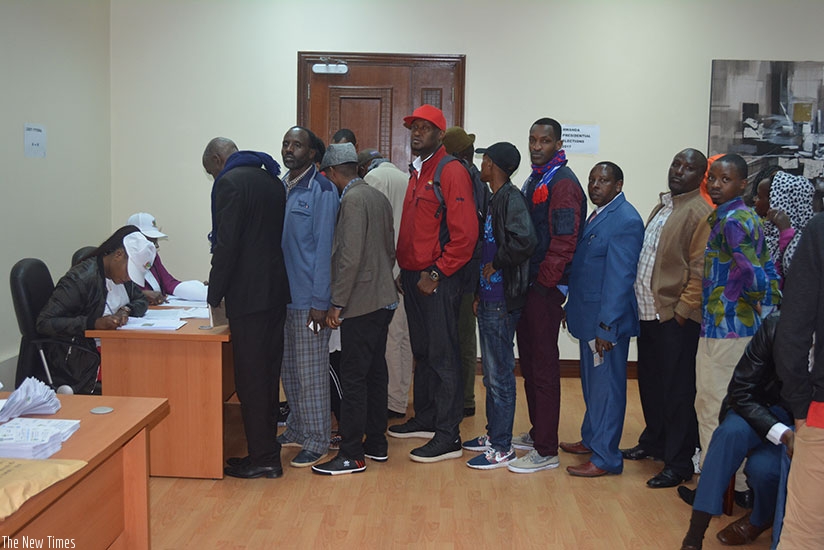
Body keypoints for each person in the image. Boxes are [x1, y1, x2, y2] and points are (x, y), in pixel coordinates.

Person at [389, 104, 477, 463]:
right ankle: (426, 418)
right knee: (422, 353)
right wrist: (405, 270)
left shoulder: (450, 171)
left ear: (440, 135)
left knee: (443, 356)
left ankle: (448, 435)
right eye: (413, 127)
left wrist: (437, 273)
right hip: (413, 277)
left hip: (438, 280)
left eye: (425, 128)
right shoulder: (417, 171)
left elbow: (465, 236)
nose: (417, 133)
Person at [621, 149, 712, 488]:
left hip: (675, 319)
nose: (679, 171)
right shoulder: (664, 206)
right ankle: (654, 442)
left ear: (700, 176)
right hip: (648, 313)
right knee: (652, 384)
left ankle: (678, 463)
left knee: (677, 392)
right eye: (676, 164)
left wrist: (683, 313)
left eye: (689, 168)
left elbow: (701, 269)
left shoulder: (700, 211)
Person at [202, 137, 289, 480]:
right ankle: (265, 449)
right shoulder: (270, 178)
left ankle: (264, 459)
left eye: (212, 171)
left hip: (248, 297)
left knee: (250, 379)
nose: (214, 178)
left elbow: (227, 245)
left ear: (218, 159)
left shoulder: (230, 182)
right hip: (275, 292)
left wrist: (214, 293)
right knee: (267, 376)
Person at [695, 154, 780, 496]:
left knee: (711, 405)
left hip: (726, 327)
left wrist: (761, 302)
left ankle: (715, 488)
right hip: (738, 326)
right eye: (712, 178)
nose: (715, 184)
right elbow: (769, 268)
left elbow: (755, 274)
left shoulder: (732, 220)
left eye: (724, 179)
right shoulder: (744, 215)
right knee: (730, 405)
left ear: (742, 184)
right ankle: (740, 485)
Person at [311, 143, 397, 475]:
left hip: (361, 303)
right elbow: (389, 250)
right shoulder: (377, 196)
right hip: (383, 298)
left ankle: (351, 454)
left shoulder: (351, 200)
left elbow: (349, 258)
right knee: (375, 373)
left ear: (332, 172)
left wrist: (337, 303)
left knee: (354, 377)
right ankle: (376, 443)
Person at [510, 117, 586, 473]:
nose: (536, 147)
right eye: (532, 140)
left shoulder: (564, 183)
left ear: (558, 144)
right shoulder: (538, 178)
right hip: (530, 284)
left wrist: (545, 284)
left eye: (544, 141)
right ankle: (538, 431)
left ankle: (546, 450)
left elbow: (564, 241)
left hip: (545, 288)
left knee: (543, 367)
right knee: (530, 362)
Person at [680, 312, 794, 550]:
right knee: (728, 433)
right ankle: (693, 537)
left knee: (762, 469)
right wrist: (780, 432)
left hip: (805, 423)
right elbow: (740, 391)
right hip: (758, 408)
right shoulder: (776, 326)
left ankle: (762, 519)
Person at [562, 161, 644, 477]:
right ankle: (591, 439)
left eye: (604, 180)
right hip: (588, 316)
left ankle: (606, 457)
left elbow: (620, 279)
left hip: (605, 324)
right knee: (593, 386)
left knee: (606, 389)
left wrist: (606, 327)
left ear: (619, 185)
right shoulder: (597, 214)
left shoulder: (625, 221)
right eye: (592, 179)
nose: (596, 185)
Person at [460, 142, 537, 470]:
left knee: (500, 375)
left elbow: (525, 240)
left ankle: (502, 447)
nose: (482, 166)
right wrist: (480, 288)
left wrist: (499, 264)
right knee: (492, 375)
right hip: (489, 298)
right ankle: (494, 436)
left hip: (503, 301)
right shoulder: (495, 197)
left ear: (496, 165)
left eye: (486, 161)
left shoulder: (511, 198)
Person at [278, 126, 340, 469]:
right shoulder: (283, 186)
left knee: (312, 372)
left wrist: (321, 301)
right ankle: (298, 428)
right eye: (286, 143)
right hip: (283, 299)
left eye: (297, 144)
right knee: (290, 371)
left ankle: (318, 440)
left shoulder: (323, 189)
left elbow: (326, 251)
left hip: (309, 303)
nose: (289, 149)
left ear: (312, 154)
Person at [36, 225, 155, 393]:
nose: (129, 278)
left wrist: (126, 310)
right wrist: (93, 323)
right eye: (130, 272)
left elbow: (141, 299)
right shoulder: (81, 279)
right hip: (83, 358)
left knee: (154, 364)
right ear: (118, 255)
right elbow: (44, 323)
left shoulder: (121, 278)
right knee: (146, 375)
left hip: (113, 348)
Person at [775, 213, 824, 548]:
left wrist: (801, 405)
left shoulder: (820, 228)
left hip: (820, 412)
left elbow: (792, 330)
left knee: (805, 536)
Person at [358, 148, 413, 420]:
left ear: (365, 165)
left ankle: (390, 401)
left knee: (390, 338)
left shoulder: (372, 180)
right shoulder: (406, 178)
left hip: (383, 272)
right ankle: (400, 398)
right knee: (403, 338)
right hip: (407, 268)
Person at [442, 126, 483, 418]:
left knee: (459, 339)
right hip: (466, 273)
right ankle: (462, 399)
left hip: (461, 273)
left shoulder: (465, 179)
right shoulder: (475, 179)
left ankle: (464, 400)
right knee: (462, 340)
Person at [127, 212, 208, 303]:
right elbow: (121, 293)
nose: (154, 246)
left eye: (155, 243)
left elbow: (168, 283)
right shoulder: (123, 260)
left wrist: (200, 288)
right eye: (151, 242)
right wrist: (142, 294)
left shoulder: (152, 255)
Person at [752, 170, 815, 282]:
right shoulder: (764, 230)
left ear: (776, 202)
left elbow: (794, 271)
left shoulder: (805, 241)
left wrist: (786, 232)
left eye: (759, 196)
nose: (754, 199)